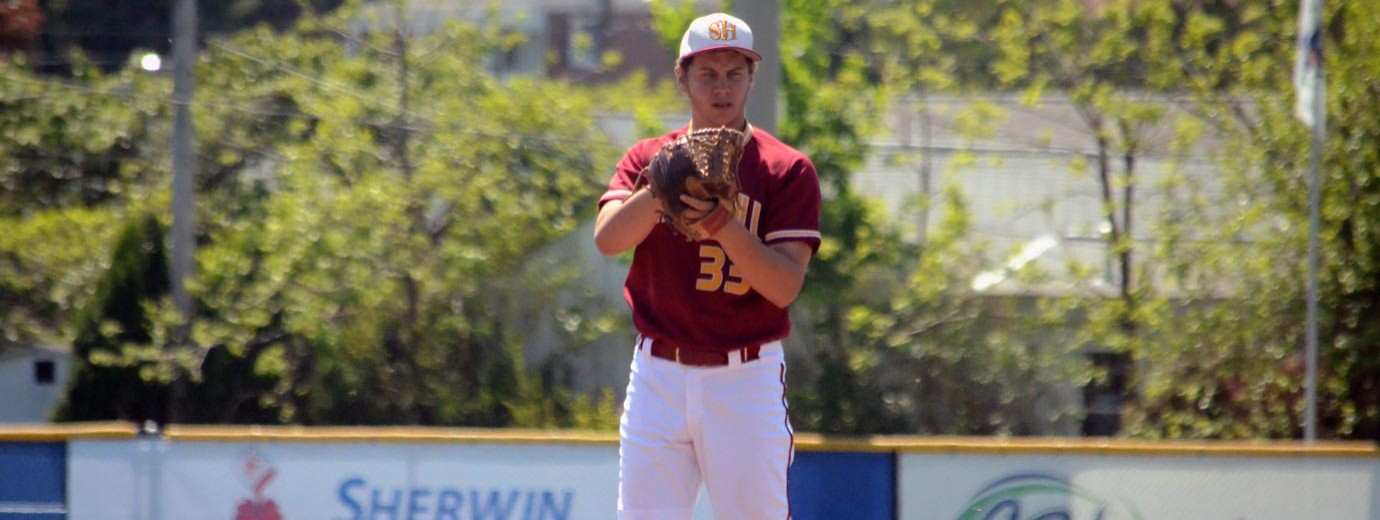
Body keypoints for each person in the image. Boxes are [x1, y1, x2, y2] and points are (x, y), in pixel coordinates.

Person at [593, 12, 822, 520]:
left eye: (734, 73)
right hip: (658, 374)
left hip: (744, 377)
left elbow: (784, 286)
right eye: (708, 74)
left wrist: (721, 223)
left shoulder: (785, 169)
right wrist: (660, 187)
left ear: (751, 77)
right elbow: (609, 240)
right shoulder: (651, 157)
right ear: (682, 77)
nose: (722, 88)